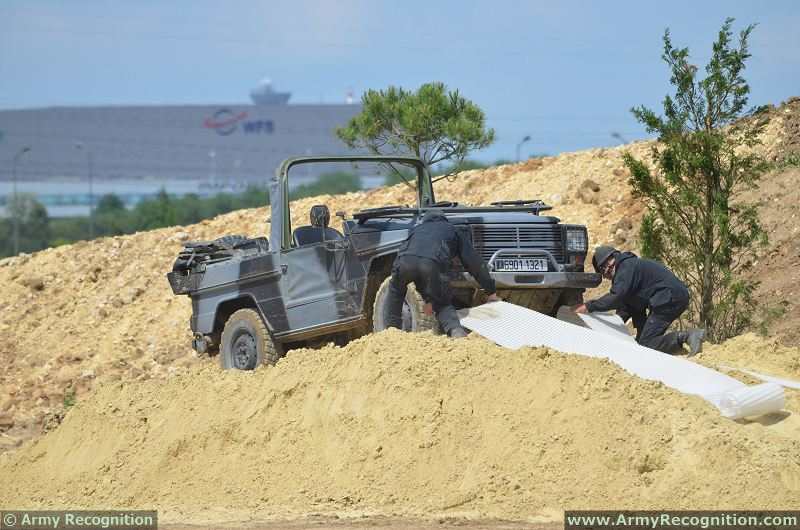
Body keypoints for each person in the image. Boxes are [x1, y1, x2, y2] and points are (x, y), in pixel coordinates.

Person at [386, 211, 500, 338]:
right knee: (442, 302)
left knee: (395, 291)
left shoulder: (416, 229)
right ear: (444, 220)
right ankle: (456, 332)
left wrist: (428, 300)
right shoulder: (452, 230)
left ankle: (389, 332)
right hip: (431, 264)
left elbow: (417, 262)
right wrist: (491, 291)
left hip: (403, 262)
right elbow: (474, 263)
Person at [574, 245, 705, 355]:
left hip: (668, 297)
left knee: (646, 344)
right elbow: (630, 306)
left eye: (606, 265)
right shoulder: (629, 268)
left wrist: (589, 307)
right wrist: (615, 323)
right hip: (670, 296)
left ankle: (687, 336)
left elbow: (616, 297)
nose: (606, 271)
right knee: (643, 342)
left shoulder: (625, 267)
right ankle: (677, 348)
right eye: (603, 270)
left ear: (613, 258)